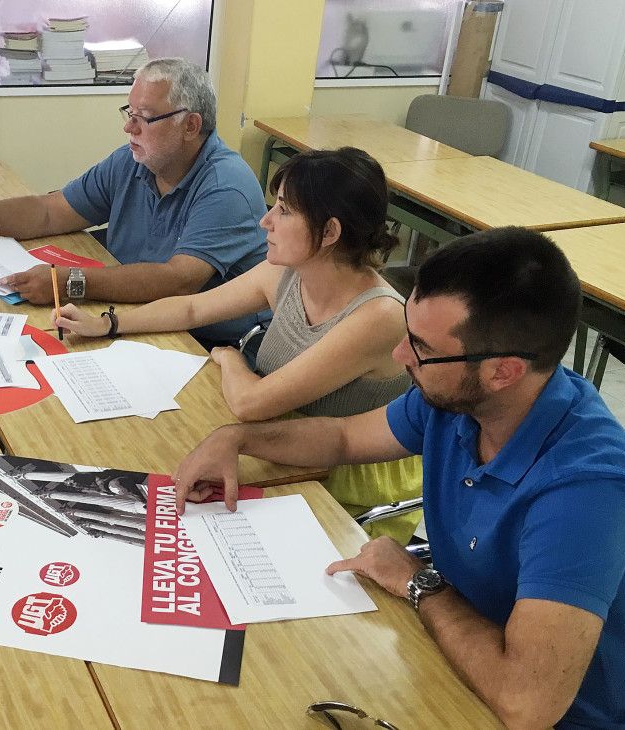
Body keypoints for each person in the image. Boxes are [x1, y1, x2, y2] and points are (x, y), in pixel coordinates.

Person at [174, 227, 625, 729]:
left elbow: (526, 703)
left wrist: (417, 581)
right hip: (457, 655)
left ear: (503, 372)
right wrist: (238, 439)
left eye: (422, 347)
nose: (401, 356)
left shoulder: (584, 488)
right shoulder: (461, 400)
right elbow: (342, 439)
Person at [58, 147, 421, 542]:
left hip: (345, 483)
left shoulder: (378, 316)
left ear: (330, 232)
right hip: (275, 441)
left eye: (283, 210)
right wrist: (108, 323)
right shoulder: (287, 272)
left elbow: (253, 402)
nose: (266, 220)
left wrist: (232, 360)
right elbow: (193, 309)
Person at [0, 58, 268, 348]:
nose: (128, 127)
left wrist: (71, 283)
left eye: (145, 118)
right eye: (129, 113)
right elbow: (51, 212)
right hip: (131, 316)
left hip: (208, 344)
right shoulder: (133, 161)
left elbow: (179, 281)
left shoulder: (227, 187)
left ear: (191, 125)